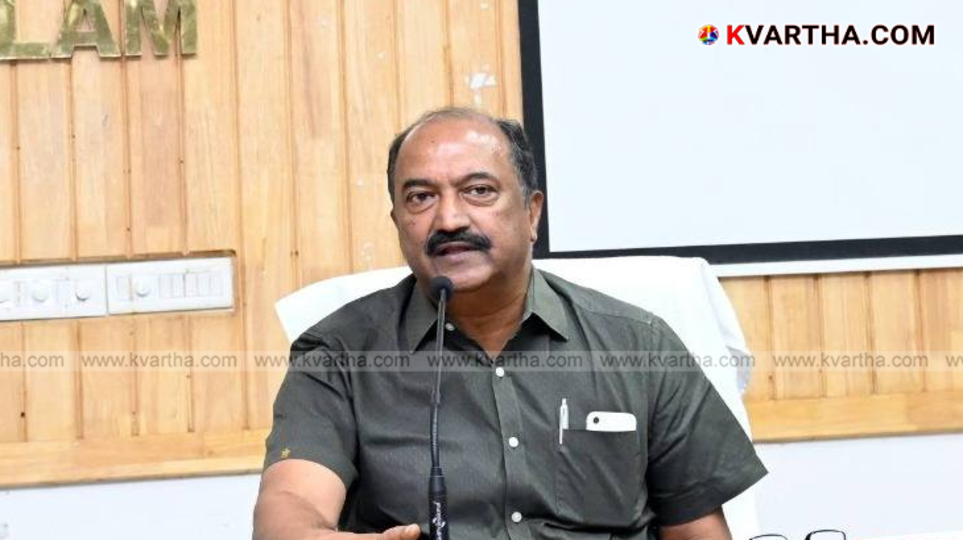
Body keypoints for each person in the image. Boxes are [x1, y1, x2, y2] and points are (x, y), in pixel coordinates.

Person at [253, 107, 767, 540]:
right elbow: (290, 504)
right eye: (420, 197)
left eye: (478, 190)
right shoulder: (340, 354)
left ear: (531, 213)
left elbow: (697, 533)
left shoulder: (641, 346)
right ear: (398, 223)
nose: (449, 219)